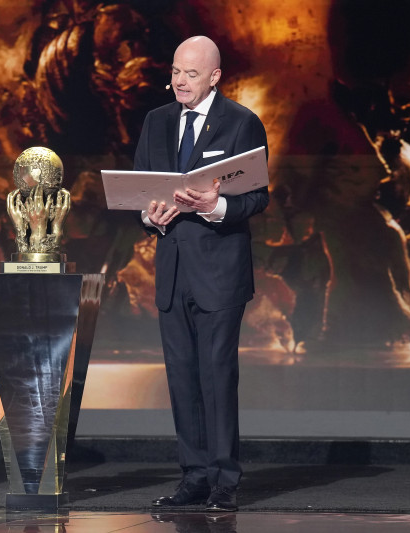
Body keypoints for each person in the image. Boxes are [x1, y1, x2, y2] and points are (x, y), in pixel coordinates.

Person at [135, 36, 269, 512]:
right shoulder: (156, 121)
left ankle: (223, 481)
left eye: (190, 73)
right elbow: (141, 192)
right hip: (172, 272)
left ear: (214, 76)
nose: (179, 81)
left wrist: (217, 206)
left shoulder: (241, 123)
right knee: (182, 379)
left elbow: (257, 197)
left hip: (219, 274)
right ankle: (192, 477)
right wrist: (150, 215)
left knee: (216, 377)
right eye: (175, 71)